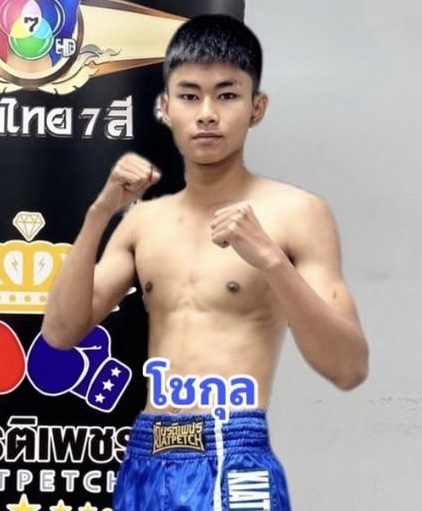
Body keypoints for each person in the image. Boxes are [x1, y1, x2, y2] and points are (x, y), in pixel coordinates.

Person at [42, 13, 369, 511]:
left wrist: (271, 262)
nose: (208, 114)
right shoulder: (142, 222)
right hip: (148, 454)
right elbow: (60, 333)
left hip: (233, 452)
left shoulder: (297, 213)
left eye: (227, 95)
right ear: (165, 107)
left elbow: (348, 368)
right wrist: (99, 214)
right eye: (191, 96)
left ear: (257, 107)